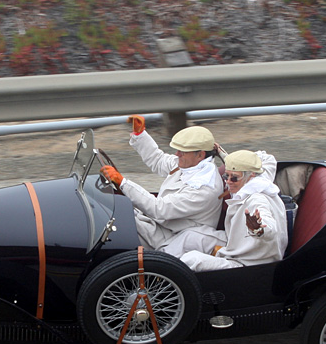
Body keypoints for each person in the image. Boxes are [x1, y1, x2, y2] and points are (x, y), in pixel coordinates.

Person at [99, 115, 224, 249]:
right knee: (107, 210)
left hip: (173, 238)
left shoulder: (204, 187)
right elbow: (158, 160)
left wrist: (123, 182)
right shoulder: (190, 164)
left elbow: (160, 209)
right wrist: (140, 134)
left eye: (182, 151)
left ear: (200, 155)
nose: (177, 154)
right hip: (160, 224)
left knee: (111, 225)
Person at [176, 149, 288, 272]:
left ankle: (161, 275)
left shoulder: (257, 200)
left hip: (250, 264)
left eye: (234, 178)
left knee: (192, 259)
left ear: (251, 175)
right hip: (237, 242)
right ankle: (157, 263)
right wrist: (226, 155)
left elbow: (269, 227)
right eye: (226, 176)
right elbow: (267, 158)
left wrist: (259, 229)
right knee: (191, 236)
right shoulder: (261, 177)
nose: (228, 181)